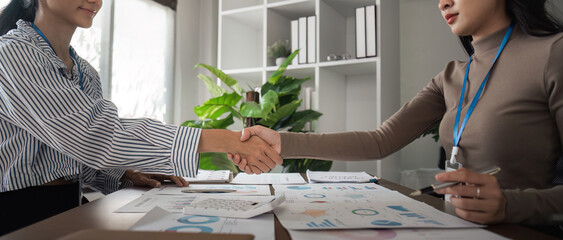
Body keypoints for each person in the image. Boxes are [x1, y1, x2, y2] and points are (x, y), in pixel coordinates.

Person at [231, 0, 563, 229]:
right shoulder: (451, 76)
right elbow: (379, 140)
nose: (442, 2)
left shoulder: (552, 53)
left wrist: (510, 204)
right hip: (452, 227)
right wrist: (281, 143)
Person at [0, 0, 281, 235]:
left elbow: (78, 159)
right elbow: (96, 136)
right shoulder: (11, 55)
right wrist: (226, 140)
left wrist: (125, 172)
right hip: (17, 215)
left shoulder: (85, 71)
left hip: (69, 209)